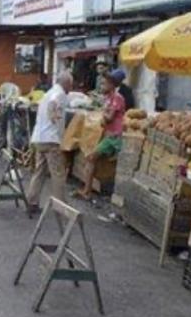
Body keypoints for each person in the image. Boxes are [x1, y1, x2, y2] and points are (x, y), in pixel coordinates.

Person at [75, 70, 128, 200]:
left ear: (112, 85)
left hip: (114, 137)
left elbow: (109, 118)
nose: (101, 86)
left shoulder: (117, 98)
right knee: (93, 158)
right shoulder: (109, 98)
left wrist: (103, 112)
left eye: (104, 84)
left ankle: (87, 191)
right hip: (109, 136)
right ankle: (87, 190)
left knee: (91, 158)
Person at [26, 71, 74, 213]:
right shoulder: (59, 94)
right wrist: (53, 115)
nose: (70, 88)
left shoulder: (48, 93)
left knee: (39, 172)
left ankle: (32, 202)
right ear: (66, 83)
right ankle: (61, 207)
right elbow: (54, 103)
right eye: (70, 85)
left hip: (39, 138)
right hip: (51, 140)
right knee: (58, 174)